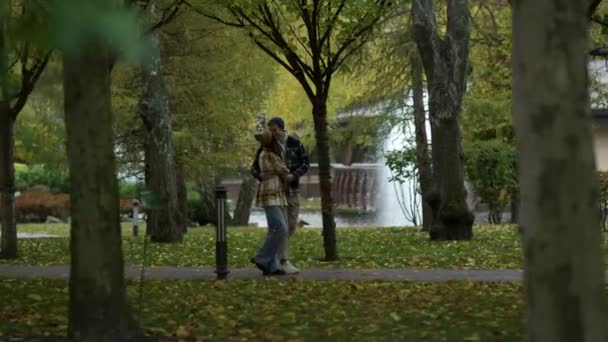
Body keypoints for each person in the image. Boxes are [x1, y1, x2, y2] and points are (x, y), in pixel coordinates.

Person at [252, 117, 309, 274]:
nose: (272, 133)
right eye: (270, 130)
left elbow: (305, 163)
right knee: (280, 227)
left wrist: (294, 175)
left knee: (289, 226)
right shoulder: (266, 147)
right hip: (274, 191)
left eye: (275, 129)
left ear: (282, 129)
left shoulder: (294, 143)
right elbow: (254, 167)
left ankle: (270, 260)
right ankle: (282, 260)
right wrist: (260, 175)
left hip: (291, 190)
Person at [250, 129, 292, 276]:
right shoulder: (269, 155)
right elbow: (284, 171)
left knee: (274, 229)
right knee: (281, 228)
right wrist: (294, 174)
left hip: (273, 194)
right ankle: (262, 257)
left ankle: (271, 266)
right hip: (271, 195)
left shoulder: (264, 153)